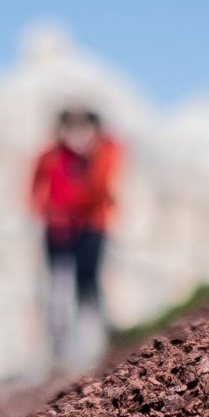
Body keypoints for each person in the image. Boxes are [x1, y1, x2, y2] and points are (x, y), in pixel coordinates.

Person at [29, 107, 121, 368]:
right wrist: (48, 211)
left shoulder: (103, 153)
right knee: (57, 287)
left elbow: (101, 187)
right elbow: (35, 186)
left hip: (91, 226)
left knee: (87, 284)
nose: (77, 134)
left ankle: (91, 350)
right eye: (71, 127)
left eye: (83, 127)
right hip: (58, 229)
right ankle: (57, 353)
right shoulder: (52, 156)